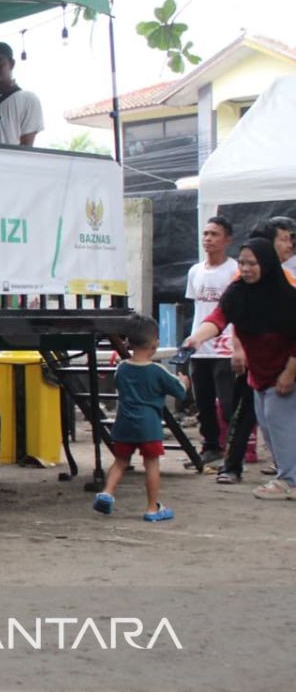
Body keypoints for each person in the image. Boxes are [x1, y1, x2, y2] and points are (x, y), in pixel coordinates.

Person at [186, 237, 296, 501]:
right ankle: (287, 476)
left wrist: (289, 374)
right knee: (269, 426)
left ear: (267, 264)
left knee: (281, 426)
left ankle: (289, 481)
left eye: (252, 263)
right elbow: (218, 318)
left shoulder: (288, 297)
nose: (245, 269)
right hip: (259, 373)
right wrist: (197, 339)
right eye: (243, 263)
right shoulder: (237, 292)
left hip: (286, 371)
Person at [93, 315, 188, 521]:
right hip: (149, 427)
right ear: (155, 343)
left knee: (120, 462)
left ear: (128, 342)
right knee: (151, 464)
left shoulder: (122, 368)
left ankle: (107, 493)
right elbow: (179, 392)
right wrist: (184, 383)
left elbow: (118, 384)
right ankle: (153, 509)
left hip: (124, 424)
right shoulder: (157, 371)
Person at [183, 216, 238, 467]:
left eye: (214, 234)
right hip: (200, 345)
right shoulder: (195, 271)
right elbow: (197, 308)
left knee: (227, 401)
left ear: (227, 240)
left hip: (226, 345)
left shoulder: (235, 270)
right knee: (202, 400)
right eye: (205, 233)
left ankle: (235, 448)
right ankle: (211, 445)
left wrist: (239, 345)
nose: (208, 239)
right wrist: (192, 339)